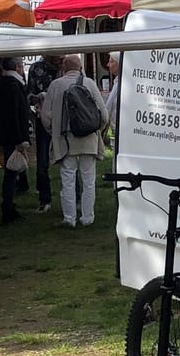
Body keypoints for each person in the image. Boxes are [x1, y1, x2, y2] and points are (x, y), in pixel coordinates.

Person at [43, 53, 106, 228]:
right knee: (89, 180)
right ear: (80, 67)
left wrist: (54, 132)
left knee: (68, 179)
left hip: (65, 140)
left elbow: (46, 117)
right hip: (88, 139)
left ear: (64, 67)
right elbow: (104, 115)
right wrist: (96, 131)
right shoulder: (90, 84)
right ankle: (88, 217)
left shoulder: (56, 85)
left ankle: (69, 218)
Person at [0, 56, 32, 224]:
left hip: (9, 134)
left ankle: (9, 205)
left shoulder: (6, 83)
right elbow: (13, 115)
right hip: (12, 135)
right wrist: (20, 139)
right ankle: (8, 208)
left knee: (12, 171)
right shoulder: (12, 85)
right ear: (18, 67)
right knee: (11, 172)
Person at [26, 53, 57, 212]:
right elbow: (29, 94)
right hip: (47, 118)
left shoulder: (65, 66)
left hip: (53, 118)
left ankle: (46, 199)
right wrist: (36, 98)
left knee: (48, 157)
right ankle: (45, 198)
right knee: (43, 158)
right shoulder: (37, 68)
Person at [102, 53, 122, 147]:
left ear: (119, 63)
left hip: (121, 129)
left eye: (111, 61)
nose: (108, 65)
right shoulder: (118, 81)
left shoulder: (120, 83)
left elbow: (108, 108)